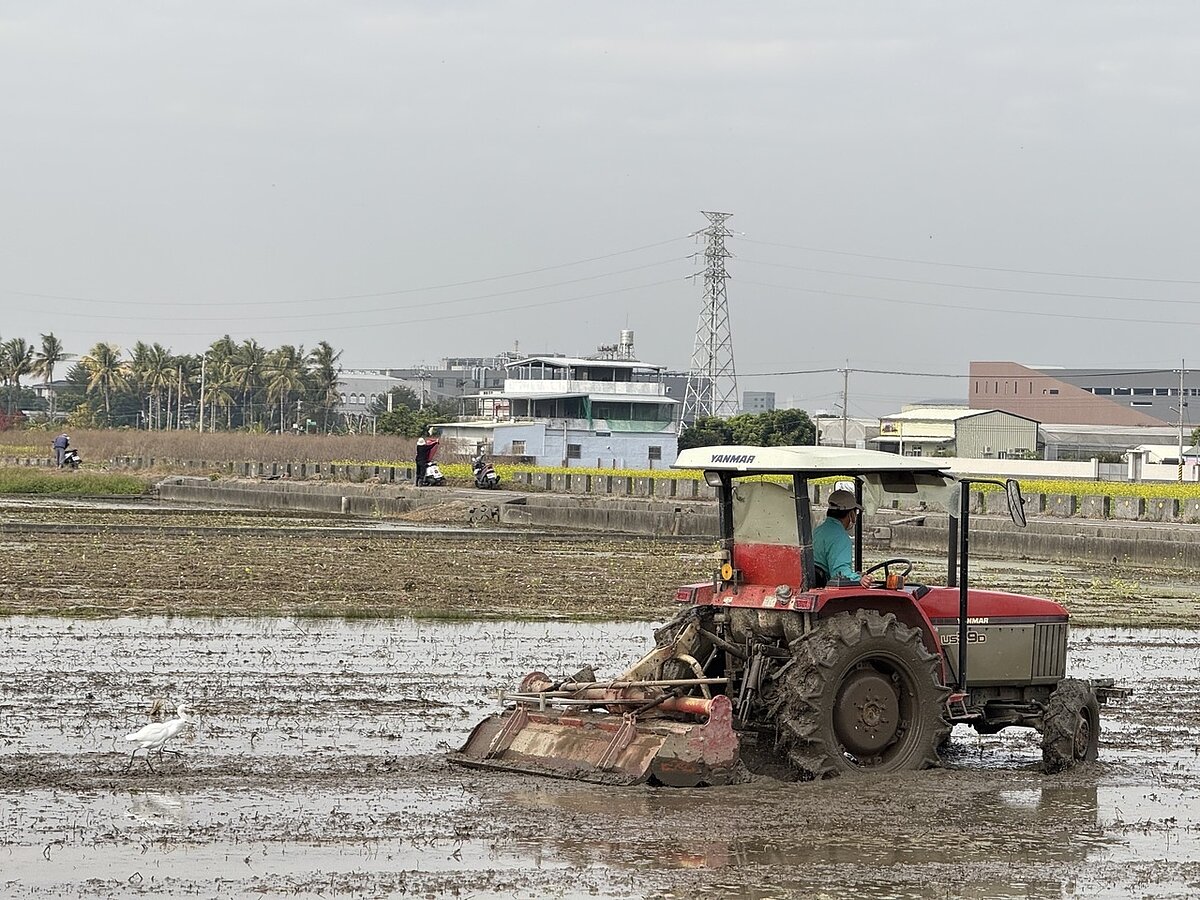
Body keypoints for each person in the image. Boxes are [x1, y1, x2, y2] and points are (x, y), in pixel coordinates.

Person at [812, 489, 872, 588]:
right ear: (851, 514)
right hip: (822, 585)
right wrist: (859, 579)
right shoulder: (841, 538)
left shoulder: (817, 531)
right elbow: (840, 573)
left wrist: (855, 575)